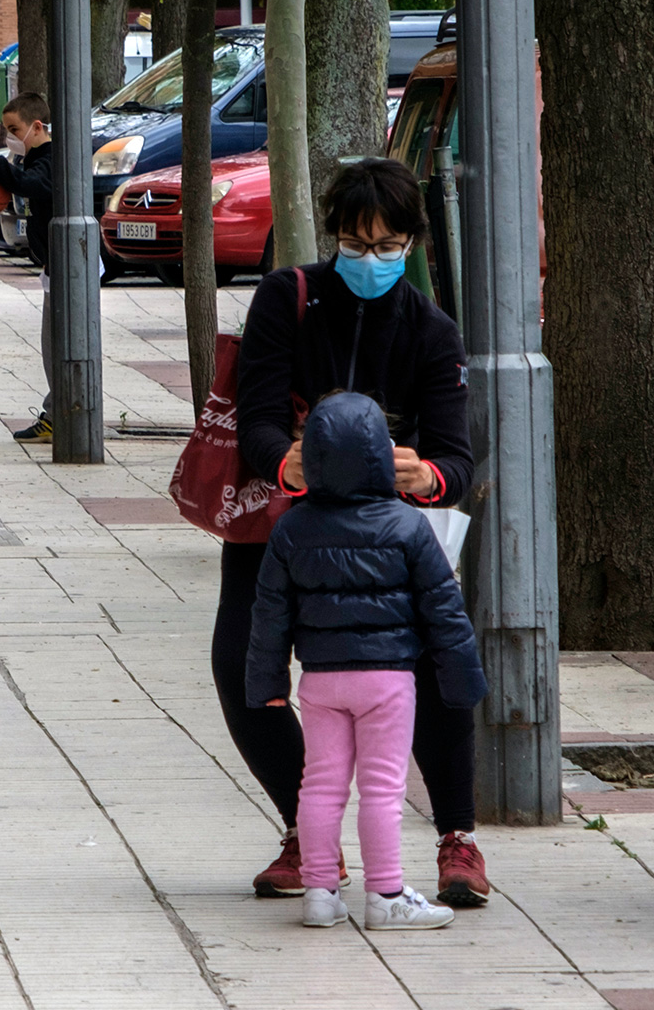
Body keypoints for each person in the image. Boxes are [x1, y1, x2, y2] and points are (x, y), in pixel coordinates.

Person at [220, 156, 490, 907]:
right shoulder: (289, 298)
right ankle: (307, 835)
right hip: (287, 525)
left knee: (435, 664)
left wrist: (424, 476)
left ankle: (456, 837)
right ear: (334, 234)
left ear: (412, 243)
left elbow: (456, 461)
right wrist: (290, 462)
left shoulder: (431, 330)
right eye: (356, 241)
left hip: (391, 539)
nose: (370, 259)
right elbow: (258, 420)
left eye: (387, 245)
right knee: (244, 663)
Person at [247, 390, 487, 931]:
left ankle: (319, 893)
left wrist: (266, 682)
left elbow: (269, 615)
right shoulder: (407, 527)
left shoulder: (291, 529)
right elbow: (444, 611)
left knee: (321, 786)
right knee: (382, 789)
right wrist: (462, 681)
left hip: (321, 683)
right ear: (384, 452)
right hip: (388, 680)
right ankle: (385, 895)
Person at [0, 94, 57, 441]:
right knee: (53, 347)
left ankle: (61, 416)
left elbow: (30, 184)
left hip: (68, 267)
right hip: (56, 267)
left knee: (57, 348)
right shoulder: (38, 156)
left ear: (36, 127)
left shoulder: (49, 159)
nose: (10, 136)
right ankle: (59, 412)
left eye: (14, 129)